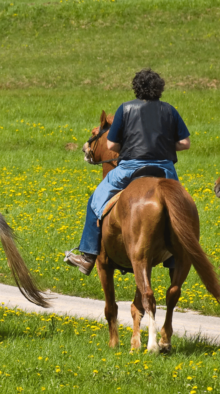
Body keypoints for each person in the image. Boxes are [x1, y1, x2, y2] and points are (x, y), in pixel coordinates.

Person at [64, 69, 191, 275]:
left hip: (130, 169)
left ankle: (87, 256)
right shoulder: (170, 110)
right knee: (181, 209)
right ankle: (177, 256)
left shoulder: (125, 109)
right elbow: (185, 143)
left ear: (136, 88)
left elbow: (112, 145)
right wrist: (164, 146)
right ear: (160, 89)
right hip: (164, 171)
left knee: (95, 201)